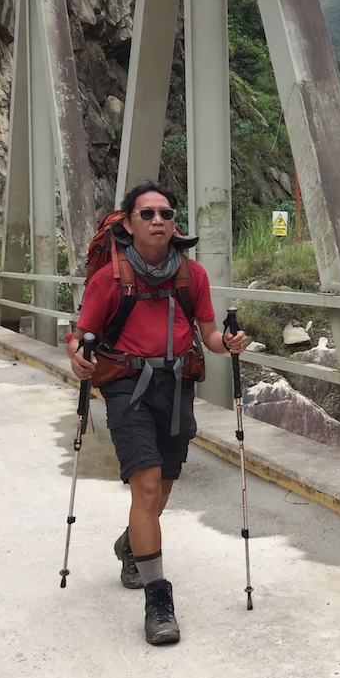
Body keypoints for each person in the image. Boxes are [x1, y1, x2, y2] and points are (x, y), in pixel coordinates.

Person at [68, 181, 248, 646]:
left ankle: (131, 545)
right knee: (146, 484)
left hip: (177, 384)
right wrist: (78, 356)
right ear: (128, 224)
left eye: (165, 214)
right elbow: (81, 334)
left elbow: (207, 334)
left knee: (162, 488)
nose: (158, 221)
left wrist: (226, 344)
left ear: (174, 222)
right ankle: (158, 600)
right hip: (127, 386)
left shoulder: (193, 276)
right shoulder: (109, 278)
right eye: (146, 214)